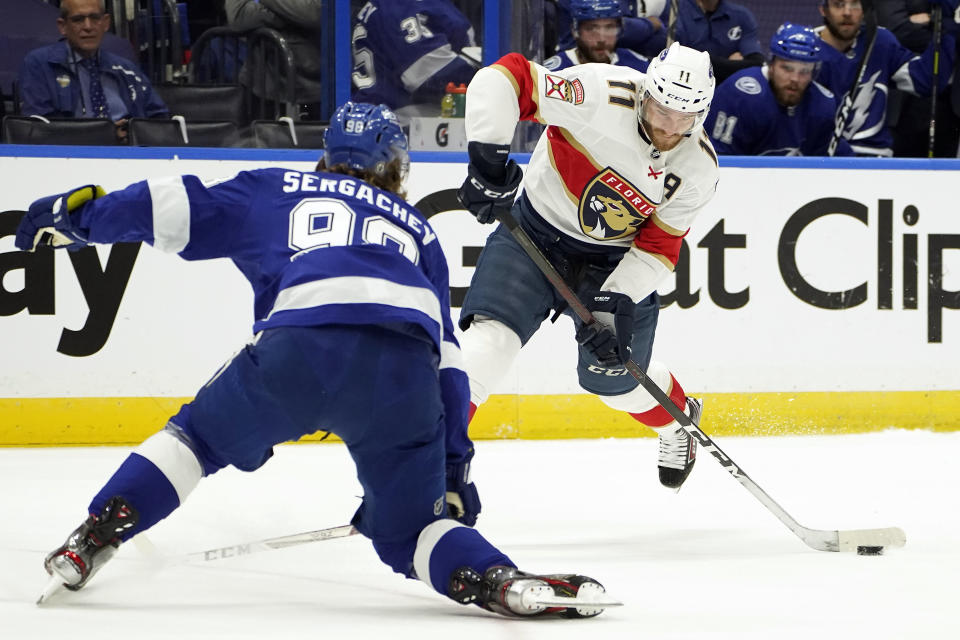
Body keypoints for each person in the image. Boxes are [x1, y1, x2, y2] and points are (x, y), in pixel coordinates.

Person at [16, 102, 615, 619]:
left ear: (327, 154)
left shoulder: (273, 187)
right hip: (402, 379)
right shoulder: (419, 231)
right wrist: (452, 470)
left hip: (298, 349)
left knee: (195, 440)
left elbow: (166, 206)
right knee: (415, 533)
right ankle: (495, 580)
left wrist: (77, 218)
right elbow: (449, 367)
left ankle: (94, 535)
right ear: (394, 165)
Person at [456, 43, 718, 491]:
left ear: (701, 115)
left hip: (612, 264)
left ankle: (677, 422)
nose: (666, 127)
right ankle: (436, 457)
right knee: (490, 343)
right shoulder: (598, 91)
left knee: (609, 380)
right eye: (659, 108)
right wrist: (487, 159)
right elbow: (506, 77)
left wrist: (614, 302)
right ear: (645, 92)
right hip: (533, 233)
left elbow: (659, 247)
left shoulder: (698, 169)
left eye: (683, 118)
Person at [815, 0, 957, 156]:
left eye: (855, 4)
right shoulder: (804, 50)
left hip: (876, 158)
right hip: (824, 159)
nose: (847, 12)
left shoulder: (879, 41)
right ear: (823, 10)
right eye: (838, 4)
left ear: (865, 10)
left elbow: (925, 80)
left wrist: (948, 28)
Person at [17, 0, 169, 141]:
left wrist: (134, 132)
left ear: (106, 23)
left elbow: (159, 120)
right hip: (69, 159)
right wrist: (103, 135)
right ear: (62, 26)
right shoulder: (40, 64)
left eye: (95, 18)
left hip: (129, 156)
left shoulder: (126, 68)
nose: (88, 27)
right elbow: (37, 129)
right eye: (78, 19)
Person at [705, 22, 854, 155]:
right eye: (787, 68)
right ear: (771, 65)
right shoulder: (740, 96)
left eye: (804, 71)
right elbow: (719, 160)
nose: (795, 79)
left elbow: (827, 161)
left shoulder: (822, 105)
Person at [351, 0, 480, 116]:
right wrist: (486, 73)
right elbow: (433, 77)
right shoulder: (401, 6)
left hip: (382, 114)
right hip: (391, 118)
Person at [875, 0, 960, 157]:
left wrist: (936, 24)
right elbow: (895, 29)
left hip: (952, 103)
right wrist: (944, 24)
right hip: (906, 98)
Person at [224, 0, 324, 119]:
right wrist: (291, 17)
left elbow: (316, 12)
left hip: (318, 89)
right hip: (261, 87)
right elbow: (238, 16)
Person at [651, 0, 765, 83]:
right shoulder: (673, 10)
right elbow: (675, 61)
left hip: (723, 93)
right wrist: (731, 64)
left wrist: (697, 59)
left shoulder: (742, 16)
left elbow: (756, 64)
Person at [545, 0, 651, 72]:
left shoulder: (638, 67)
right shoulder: (553, 73)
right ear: (575, 30)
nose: (601, 39)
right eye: (591, 28)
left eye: (609, 27)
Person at [554, 0, 666, 58]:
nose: (601, 37)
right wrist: (649, 24)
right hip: (578, 59)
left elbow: (661, 37)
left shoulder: (636, 63)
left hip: (616, 57)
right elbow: (603, 20)